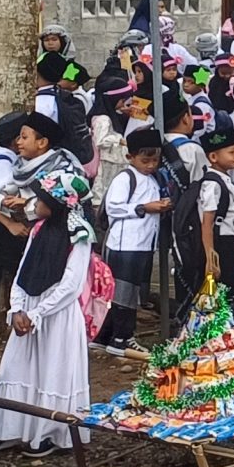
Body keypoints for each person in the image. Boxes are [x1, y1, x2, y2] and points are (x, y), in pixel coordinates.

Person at [0, 126, 95, 459]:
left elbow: (70, 285)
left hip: (56, 315)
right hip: (30, 312)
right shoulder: (38, 230)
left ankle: (50, 434)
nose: (34, 204)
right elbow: (23, 272)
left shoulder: (79, 234)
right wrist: (18, 309)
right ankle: (7, 429)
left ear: (57, 202)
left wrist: (38, 313)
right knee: (16, 368)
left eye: (41, 199)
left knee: (54, 369)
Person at [97, 129, 170, 353]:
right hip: (125, 244)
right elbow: (113, 207)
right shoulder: (125, 178)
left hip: (142, 243)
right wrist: (145, 208)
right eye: (145, 160)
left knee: (128, 292)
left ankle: (104, 336)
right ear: (130, 157)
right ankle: (121, 338)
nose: (150, 165)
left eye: (154, 160)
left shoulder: (153, 179)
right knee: (123, 294)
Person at [193, 125, 234, 318]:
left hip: (229, 241)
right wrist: (210, 256)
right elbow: (207, 223)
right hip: (219, 243)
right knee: (225, 288)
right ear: (213, 157)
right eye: (231, 152)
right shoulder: (212, 184)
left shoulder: (223, 180)